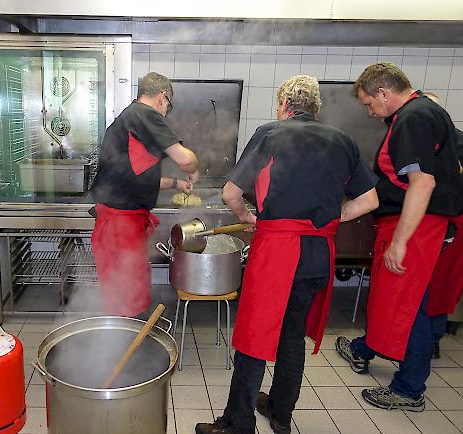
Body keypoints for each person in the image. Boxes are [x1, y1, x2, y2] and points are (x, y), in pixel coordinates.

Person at [195, 75, 379, 434]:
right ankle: (281, 412)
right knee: (292, 335)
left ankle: (237, 424)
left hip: (278, 253)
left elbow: (231, 192)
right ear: (316, 108)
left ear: (284, 105)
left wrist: (250, 217)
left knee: (254, 336)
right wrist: (328, 221)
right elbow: (369, 199)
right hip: (316, 253)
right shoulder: (343, 141)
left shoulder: (272, 133)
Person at [336, 63, 463, 412]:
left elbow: (423, 183)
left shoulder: (413, 117)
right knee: (392, 301)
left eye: (369, 104)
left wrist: (401, 241)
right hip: (417, 223)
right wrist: (340, 214)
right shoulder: (423, 112)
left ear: (383, 92)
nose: (370, 111)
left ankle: (409, 389)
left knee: (411, 308)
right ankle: (364, 349)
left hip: (418, 227)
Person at [90, 72, 199, 318]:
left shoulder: (131, 120)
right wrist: (194, 171)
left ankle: (126, 346)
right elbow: (185, 159)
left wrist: (176, 184)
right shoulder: (144, 114)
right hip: (120, 227)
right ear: (162, 97)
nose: (165, 113)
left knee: (125, 294)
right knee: (125, 297)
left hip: (119, 224)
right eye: (168, 107)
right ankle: (126, 349)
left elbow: (135, 177)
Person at [421, 92, 463, 359]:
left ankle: (427, 340)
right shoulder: (454, 138)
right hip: (447, 220)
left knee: (434, 284)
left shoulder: (435, 143)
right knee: (440, 285)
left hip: (446, 221)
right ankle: (431, 339)